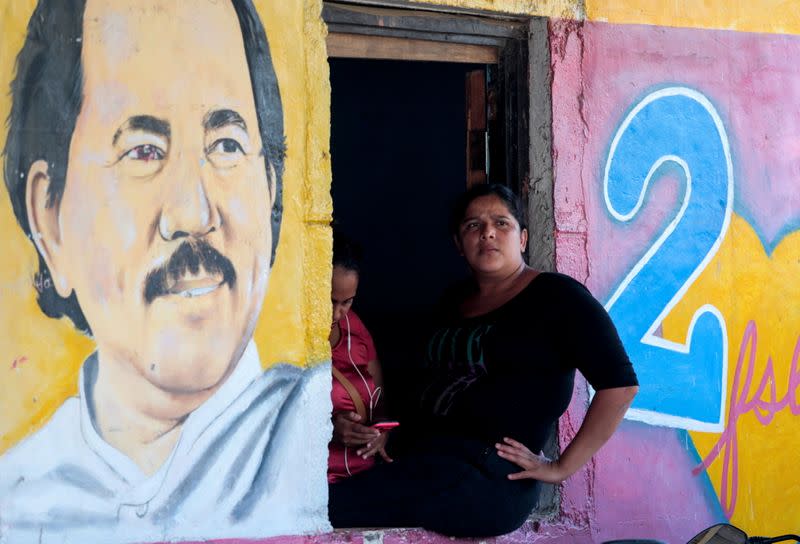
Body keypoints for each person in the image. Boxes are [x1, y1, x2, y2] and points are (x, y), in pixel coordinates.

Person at [0, 1, 330, 541]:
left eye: (226, 145)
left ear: (270, 186)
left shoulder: (315, 430)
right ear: (51, 222)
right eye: (144, 151)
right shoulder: (19, 497)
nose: (193, 214)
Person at [328, 184, 639, 537]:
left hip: (488, 477)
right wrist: (388, 435)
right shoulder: (452, 302)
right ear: (459, 245)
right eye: (473, 225)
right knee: (334, 495)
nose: (487, 232)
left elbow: (620, 385)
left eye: (501, 223)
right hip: (427, 462)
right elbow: (428, 388)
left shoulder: (559, 298)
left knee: (328, 506)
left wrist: (561, 467)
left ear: (522, 238)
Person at [327, 232, 392, 483]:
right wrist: (328, 428)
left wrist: (380, 432)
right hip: (315, 485)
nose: (336, 312)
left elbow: (380, 401)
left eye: (347, 302)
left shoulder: (357, 329)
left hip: (364, 477)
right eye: (329, 300)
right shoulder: (288, 336)